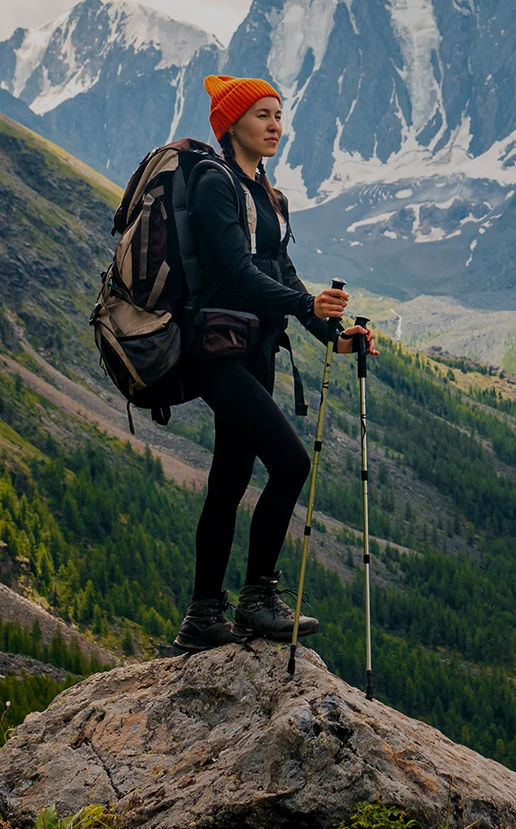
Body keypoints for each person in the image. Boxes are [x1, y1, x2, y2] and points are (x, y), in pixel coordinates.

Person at [173, 75, 376, 652]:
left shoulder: (266, 191)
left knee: (230, 479)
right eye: (261, 115)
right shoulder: (216, 183)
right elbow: (239, 272)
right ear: (231, 123)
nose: (273, 126)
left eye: (278, 116)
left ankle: (203, 617)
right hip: (216, 352)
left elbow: (281, 275)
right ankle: (256, 600)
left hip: (254, 351)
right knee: (289, 462)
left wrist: (331, 333)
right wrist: (305, 305)